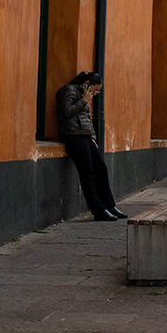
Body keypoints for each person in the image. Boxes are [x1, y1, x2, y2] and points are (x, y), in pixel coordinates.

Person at [56, 72, 126, 222]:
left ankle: (110, 206)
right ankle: (98, 210)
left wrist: (93, 138)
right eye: (94, 90)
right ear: (86, 83)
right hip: (72, 135)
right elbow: (67, 111)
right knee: (87, 172)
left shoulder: (82, 94)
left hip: (85, 135)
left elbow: (87, 119)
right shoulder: (68, 90)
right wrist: (84, 99)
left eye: (97, 91)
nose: (94, 94)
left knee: (101, 168)